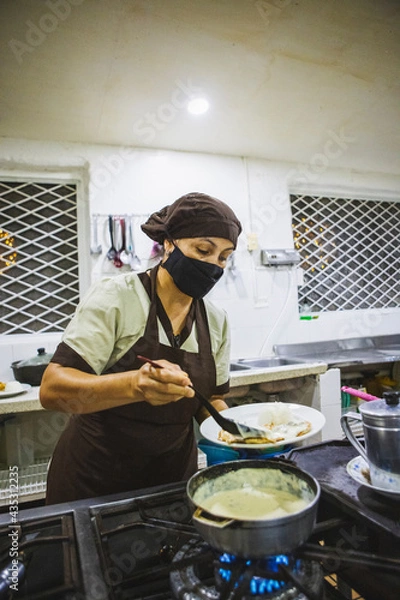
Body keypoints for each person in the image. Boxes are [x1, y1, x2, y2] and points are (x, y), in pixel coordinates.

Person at [40, 192, 242, 504]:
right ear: (169, 244)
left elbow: (211, 398)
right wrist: (134, 384)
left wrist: (238, 435)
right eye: (203, 250)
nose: (214, 265)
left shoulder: (216, 321)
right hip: (95, 483)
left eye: (224, 257)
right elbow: (53, 389)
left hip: (172, 484)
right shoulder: (118, 298)